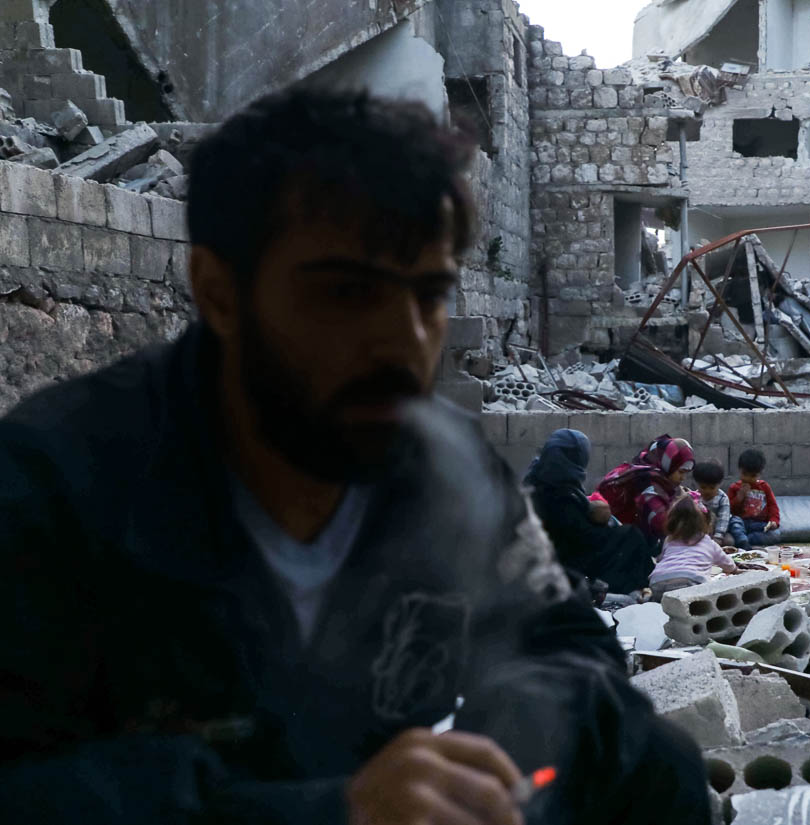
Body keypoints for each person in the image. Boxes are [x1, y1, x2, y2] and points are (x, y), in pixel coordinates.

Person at [0, 89, 710, 825]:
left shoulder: (448, 467)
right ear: (219, 291)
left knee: (661, 766)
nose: (404, 340)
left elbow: (562, 639)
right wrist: (331, 813)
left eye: (428, 294)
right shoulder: (55, 487)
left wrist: (522, 719)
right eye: (347, 293)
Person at [526, 429, 655, 595]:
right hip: (567, 555)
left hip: (556, 547)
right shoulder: (558, 490)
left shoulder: (540, 476)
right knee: (630, 537)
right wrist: (597, 516)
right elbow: (579, 533)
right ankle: (638, 587)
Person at [596, 434, 695, 545]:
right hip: (621, 543)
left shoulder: (651, 471)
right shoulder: (648, 483)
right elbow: (662, 524)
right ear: (668, 464)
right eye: (680, 472)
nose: (683, 478)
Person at [648, 496, 738, 601]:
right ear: (702, 522)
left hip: (657, 580)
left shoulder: (669, 539)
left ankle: (649, 599)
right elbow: (727, 564)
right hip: (689, 580)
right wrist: (736, 570)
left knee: (663, 601)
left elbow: (662, 558)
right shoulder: (707, 541)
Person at [728, 448, 781, 549]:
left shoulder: (764, 487)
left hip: (759, 524)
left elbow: (773, 506)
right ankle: (743, 540)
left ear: (760, 474)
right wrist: (739, 498)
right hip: (741, 523)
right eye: (744, 474)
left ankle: (744, 541)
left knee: (775, 534)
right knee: (734, 523)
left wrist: (773, 521)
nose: (748, 478)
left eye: (753, 476)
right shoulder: (734, 488)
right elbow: (729, 510)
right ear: (739, 470)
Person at [693, 460, 734, 547]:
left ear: (719, 484)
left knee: (729, 541)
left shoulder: (722, 498)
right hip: (700, 532)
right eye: (703, 487)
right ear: (697, 484)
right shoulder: (695, 497)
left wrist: (718, 537)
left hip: (717, 532)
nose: (707, 491)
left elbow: (723, 520)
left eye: (712, 488)